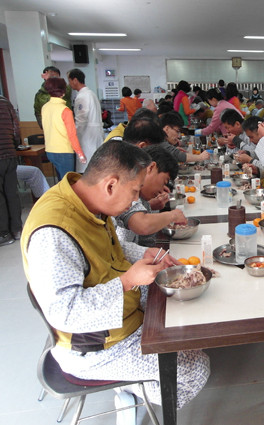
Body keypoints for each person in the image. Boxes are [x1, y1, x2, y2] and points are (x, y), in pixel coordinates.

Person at [21, 140, 209, 415]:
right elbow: (65, 313)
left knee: (181, 306)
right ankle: (135, 391)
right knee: (196, 369)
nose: (135, 201)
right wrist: (127, 281)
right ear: (110, 185)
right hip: (97, 347)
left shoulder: (87, 201)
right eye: (134, 192)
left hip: (124, 312)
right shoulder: (53, 232)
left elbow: (110, 249)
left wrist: (147, 254)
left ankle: (145, 372)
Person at [114, 145, 186, 246]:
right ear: (151, 167)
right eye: (164, 182)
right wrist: (173, 215)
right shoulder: (125, 185)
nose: (162, 189)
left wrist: (149, 206)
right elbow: (142, 225)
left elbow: (145, 240)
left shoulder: (141, 198)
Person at [41, 78, 87, 179]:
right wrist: (80, 153)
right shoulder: (65, 110)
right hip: (63, 151)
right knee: (68, 182)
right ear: (63, 91)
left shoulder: (45, 107)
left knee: (61, 180)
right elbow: (72, 134)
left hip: (50, 150)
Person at [67, 68, 104, 173]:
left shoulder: (82, 96)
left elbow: (81, 120)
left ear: (75, 80)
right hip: (95, 134)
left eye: (69, 81)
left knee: (86, 167)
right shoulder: (91, 93)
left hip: (87, 136)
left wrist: (73, 136)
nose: (69, 84)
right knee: (95, 165)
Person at [0, 95, 22, 246]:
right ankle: (17, 229)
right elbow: (16, 130)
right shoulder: (5, 102)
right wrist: (13, 146)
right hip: (10, 154)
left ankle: (4, 234)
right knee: (12, 193)